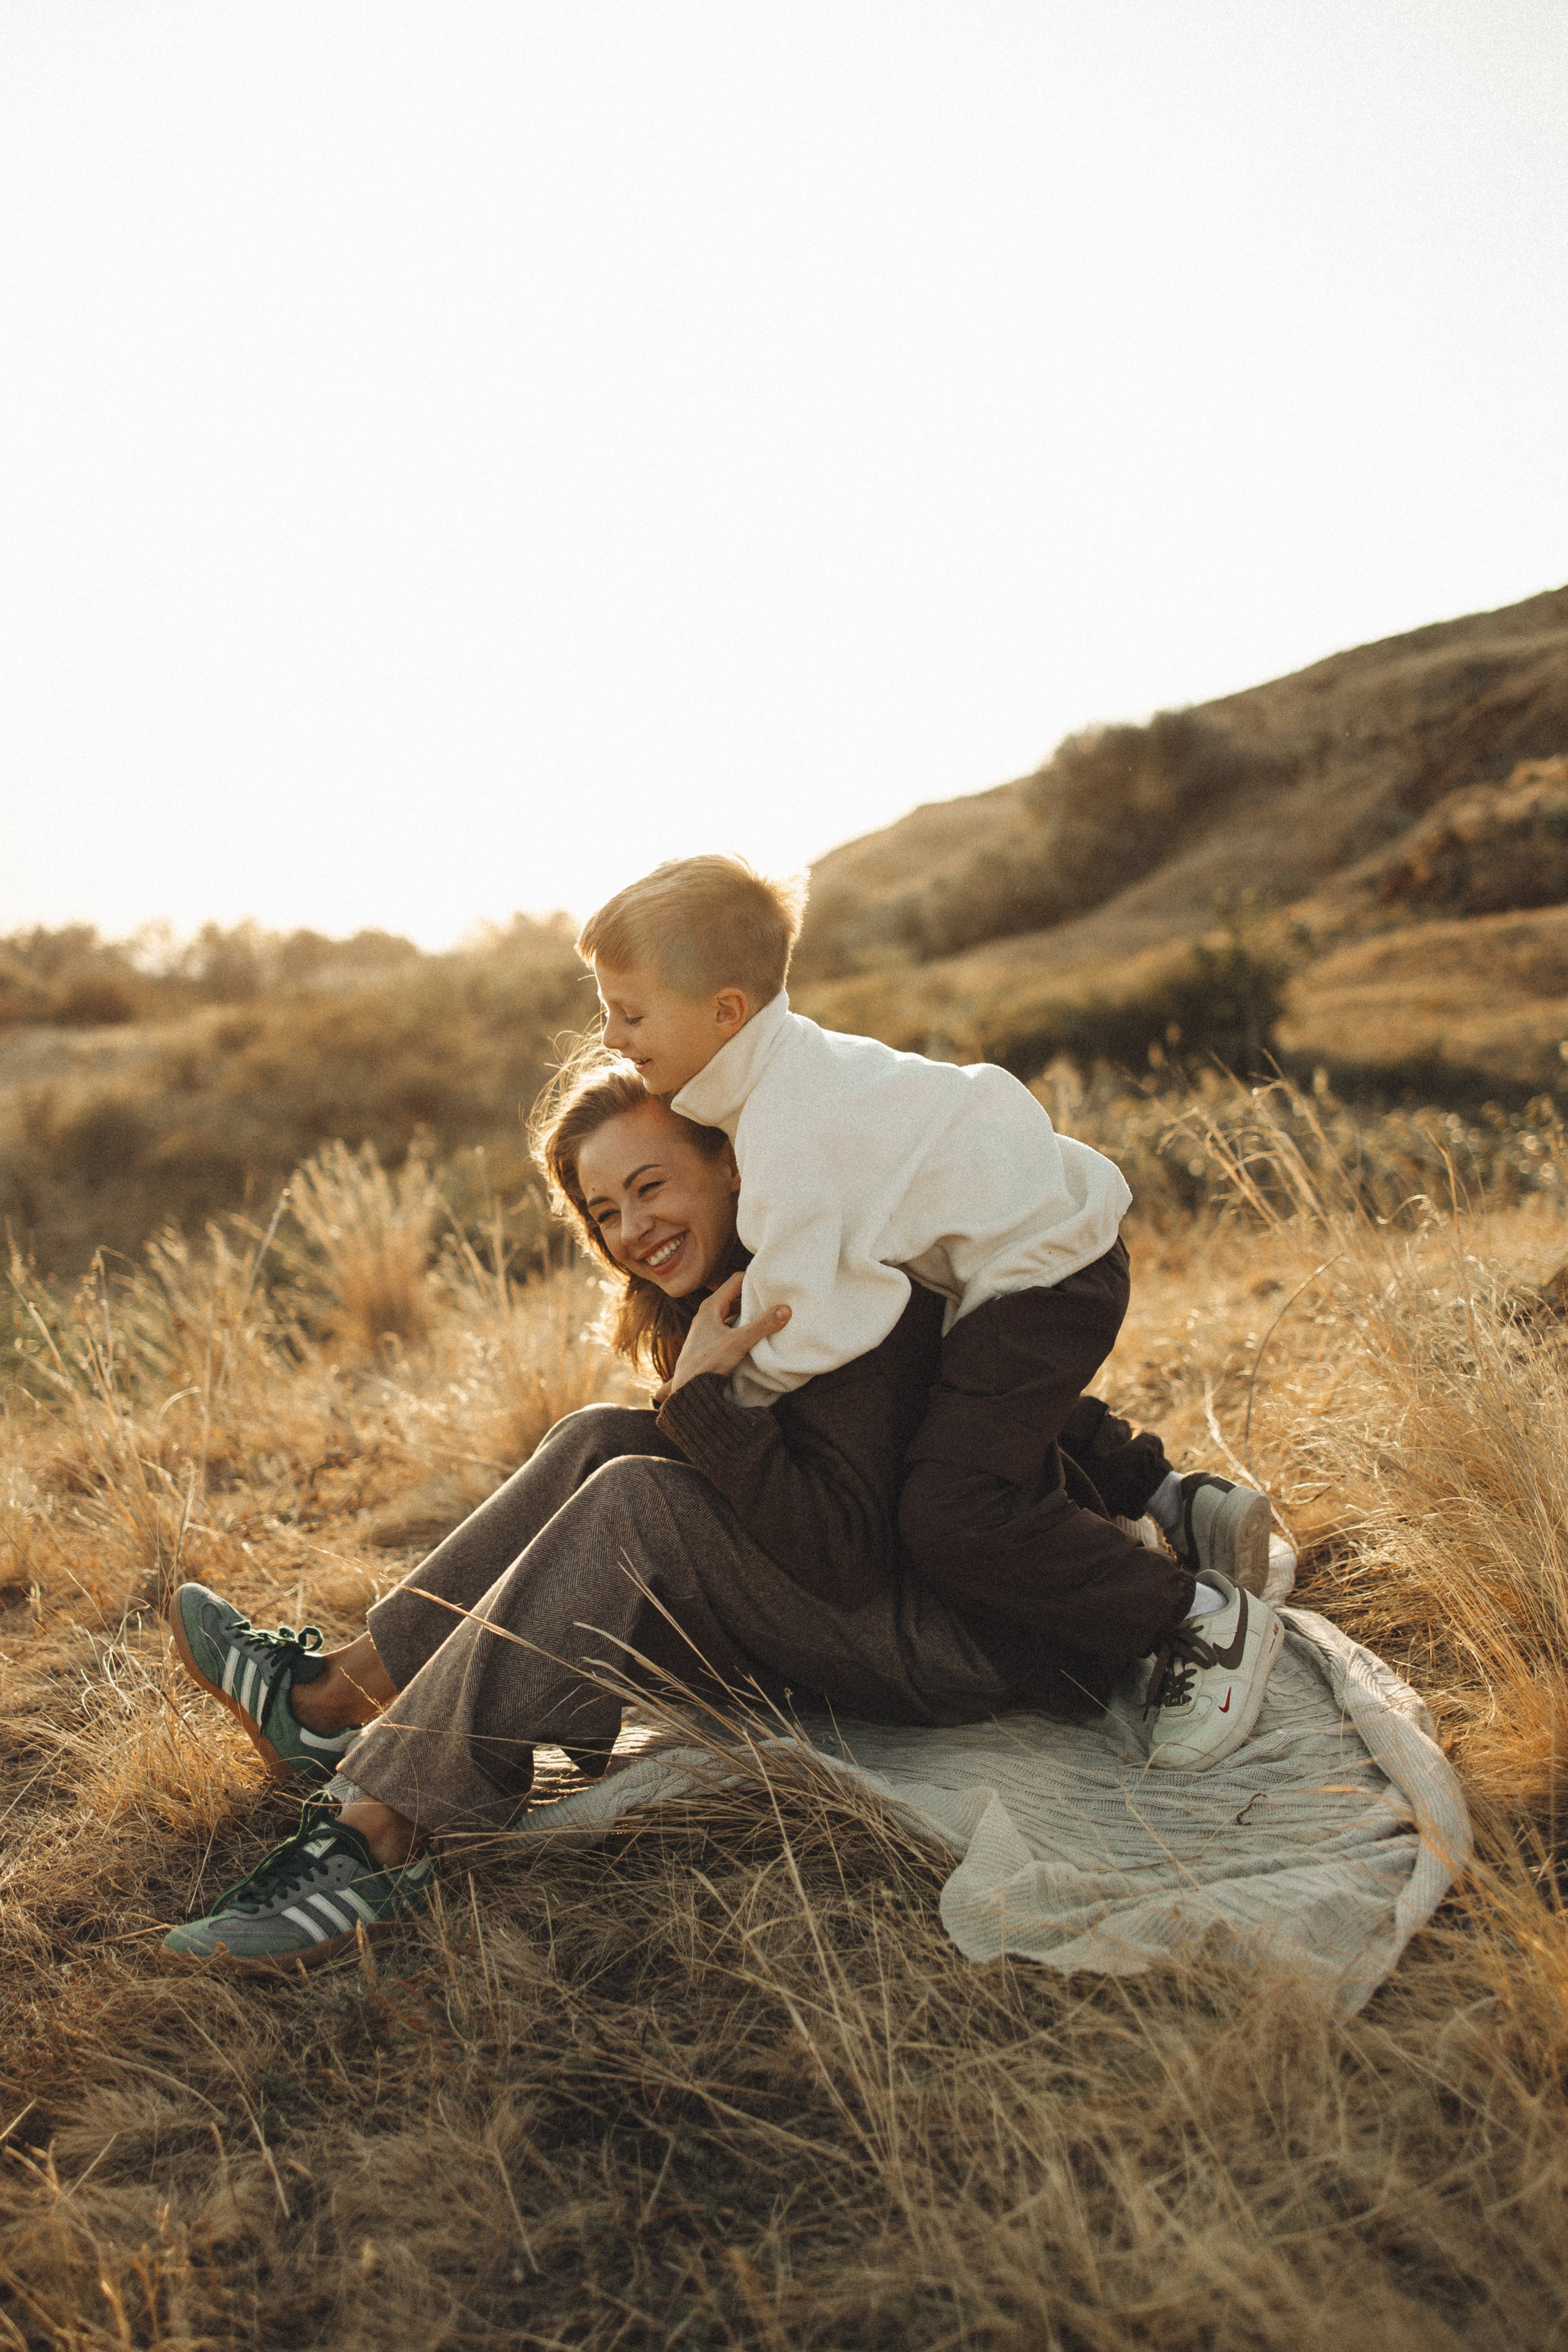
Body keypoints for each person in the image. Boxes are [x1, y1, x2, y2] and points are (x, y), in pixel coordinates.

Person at [161, 1072, 1281, 1971]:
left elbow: (843, 1562)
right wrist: (692, 1409)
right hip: (882, 1605)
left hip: (972, 1637)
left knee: (636, 1502)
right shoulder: (725, 1301)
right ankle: (334, 1698)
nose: (634, 1228)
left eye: (652, 1186)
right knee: (603, 1439)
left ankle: (381, 1835)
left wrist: (705, 1410)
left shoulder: (823, 1294)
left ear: (731, 1165)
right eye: (606, 1212)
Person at [582, 856, 1277, 1689]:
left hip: (1042, 1278)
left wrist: (717, 1396)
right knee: (961, 1402)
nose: (612, 1041)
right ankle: (1175, 1501)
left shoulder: (781, 1132)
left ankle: (1198, 1624)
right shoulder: (792, 1066)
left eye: (629, 1015)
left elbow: (810, 1312)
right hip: (1036, 1247)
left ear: (725, 1011)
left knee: (953, 1509)